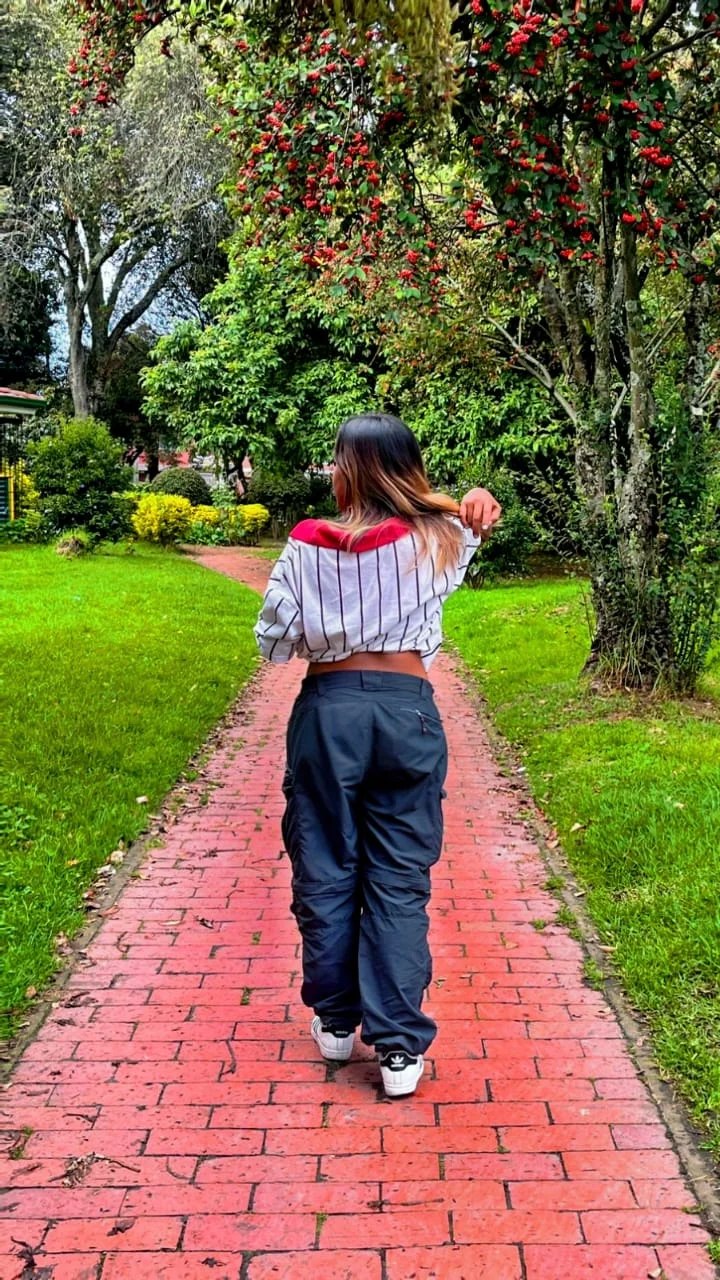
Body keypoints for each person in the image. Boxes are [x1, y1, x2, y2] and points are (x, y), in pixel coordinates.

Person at [254, 413, 501, 1097]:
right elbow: (477, 518)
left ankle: (337, 1021)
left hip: (328, 710)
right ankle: (397, 1048)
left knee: (326, 864)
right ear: (408, 469)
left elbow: (273, 641)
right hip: (406, 710)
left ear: (345, 471)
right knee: (398, 876)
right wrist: (469, 497)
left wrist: (326, 622)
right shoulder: (438, 536)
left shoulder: (305, 546)